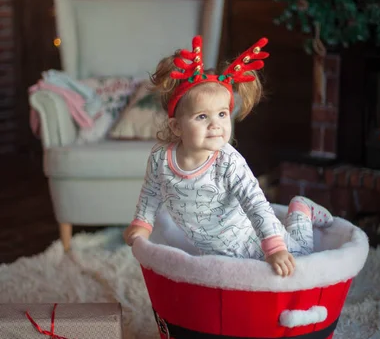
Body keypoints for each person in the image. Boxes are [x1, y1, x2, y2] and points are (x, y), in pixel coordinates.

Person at [124, 36, 332, 277]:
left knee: (302, 260)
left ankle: (300, 210)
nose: (216, 125)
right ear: (176, 127)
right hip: (215, 250)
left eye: (222, 114)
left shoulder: (228, 161)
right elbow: (151, 192)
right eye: (202, 117)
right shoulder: (161, 158)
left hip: (256, 240)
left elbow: (255, 203)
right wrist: (142, 223)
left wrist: (275, 247)